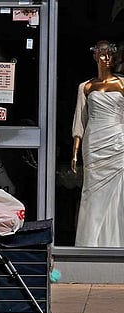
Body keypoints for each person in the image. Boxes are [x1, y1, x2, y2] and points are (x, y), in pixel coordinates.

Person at [71, 40, 124, 247]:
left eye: (110, 53)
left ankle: (117, 243)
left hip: (118, 141)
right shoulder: (86, 86)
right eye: (102, 54)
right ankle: (90, 243)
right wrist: (75, 150)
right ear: (95, 56)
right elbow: (80, 120)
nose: (107, 57)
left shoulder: (122, 84)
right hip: (94, 143)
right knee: (92, 193)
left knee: (119, 191)